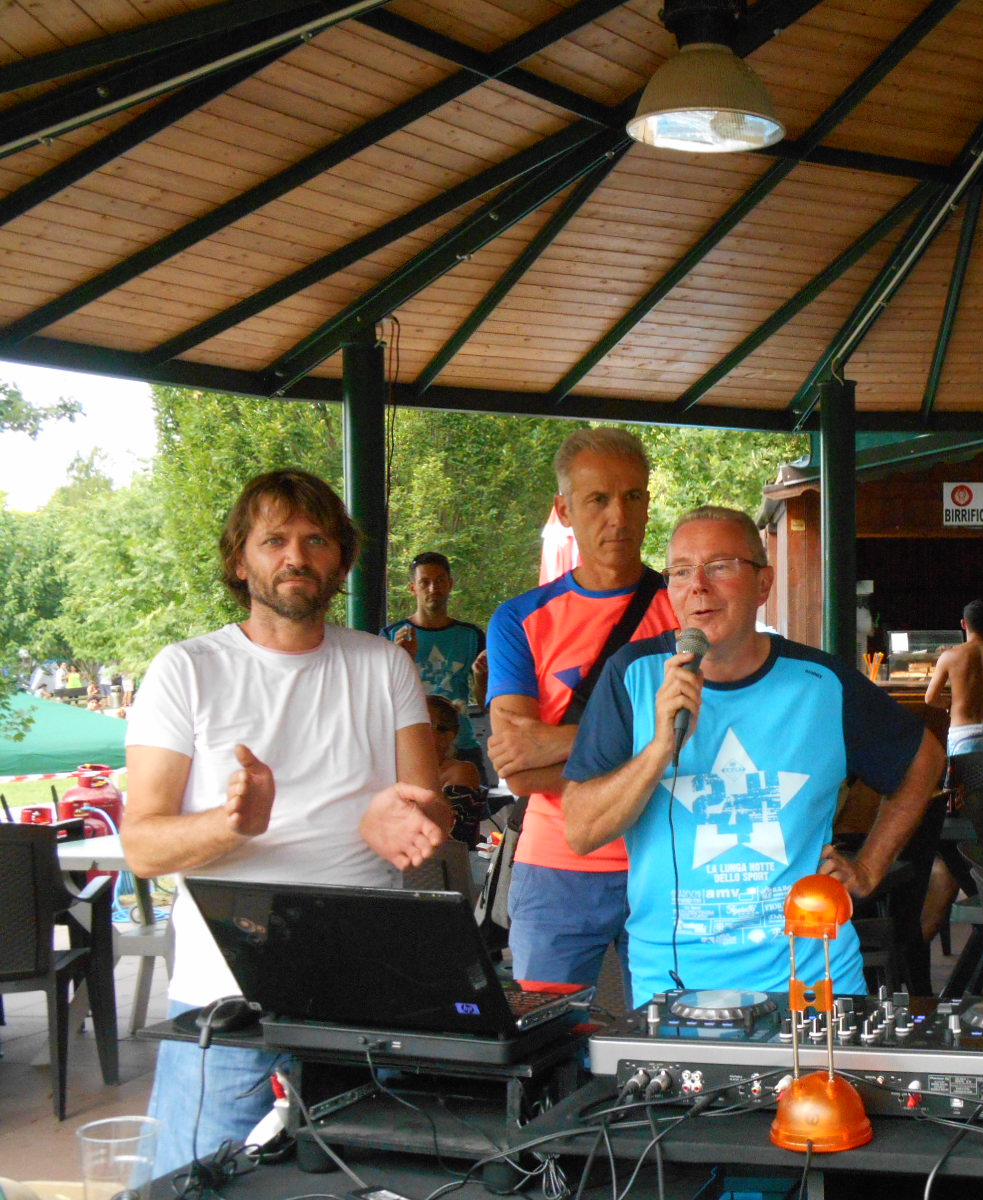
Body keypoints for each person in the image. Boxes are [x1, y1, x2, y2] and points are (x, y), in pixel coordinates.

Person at [122, 469, 452, 1174]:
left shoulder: (384, 666)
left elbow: (431, 812)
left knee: (369, 1181)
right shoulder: (185, 669)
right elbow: (143, 847)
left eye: (316, 540)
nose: (296, 556)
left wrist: (398, 815)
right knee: (197, 1183)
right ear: (240, 560)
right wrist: (232, 824)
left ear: (340, 561)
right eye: (274, 540)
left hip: (365, 993)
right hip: (227, 998)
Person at [562, 506, 945, 1005]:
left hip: (813, 978)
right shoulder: (632, 674)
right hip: (674, 987)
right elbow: (581, 830)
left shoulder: (821, 683)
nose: (698, 586)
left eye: (720, 566)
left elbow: (924, 759)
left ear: (763, 584)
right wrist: (659, 749)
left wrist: (869, 869)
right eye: (681, 571)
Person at [486, 427, 677, 988]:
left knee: (677, 1032)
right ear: (564, 509)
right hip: (557, 867)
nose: (618, 516)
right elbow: (521, 772)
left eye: (632, 496)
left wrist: (557, 741)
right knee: (546, 1031)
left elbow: (704, 745)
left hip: (670, 863)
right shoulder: (519, 619)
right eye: (598, 499)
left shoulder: (687, 611)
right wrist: (656, 746)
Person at [383, 552, 489, 779]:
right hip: (408, 745)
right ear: (413, 588)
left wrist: (481, 677)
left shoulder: (471, 635)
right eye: (425, 582)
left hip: (461, 744)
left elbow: (486, 703)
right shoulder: (392, 635)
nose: (433, 588)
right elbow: (379, 699)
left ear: (450, 584)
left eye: (440, 581)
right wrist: (401, 659)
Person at [924, 599, 983, 757]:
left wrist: (949, 704)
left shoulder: (950, 656)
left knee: (962, 775)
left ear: (963, 623)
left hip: (962, 733)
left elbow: (930, 698)